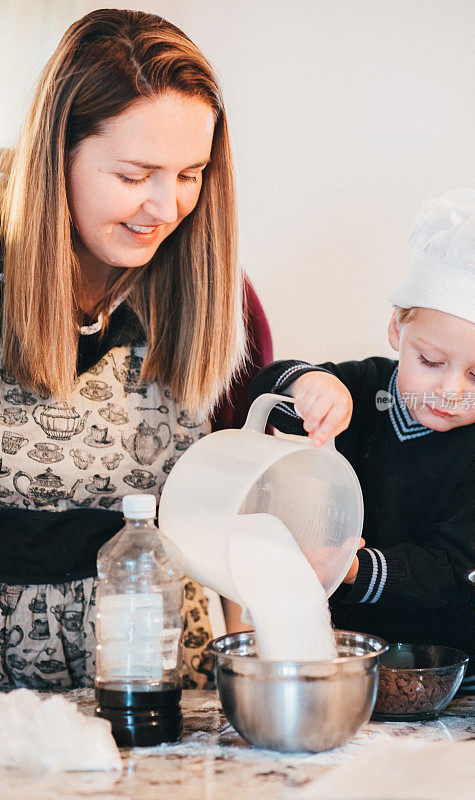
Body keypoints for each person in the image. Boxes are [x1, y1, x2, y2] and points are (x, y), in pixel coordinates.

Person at [0, 9, 272, 691]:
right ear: (56, 152)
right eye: (133, 174)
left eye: (190, 173)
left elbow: (243, 505)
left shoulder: (211, 297)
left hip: (165, 687)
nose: (164, 206)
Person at [250, 189, 475, 693]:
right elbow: (265, 383)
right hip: (342, 649)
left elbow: (454, 570)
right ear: (395, 329)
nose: (451, 392)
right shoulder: (360, 389)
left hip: (447, 666)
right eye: (430, 362)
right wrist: (307, 384)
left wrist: (353, 567)